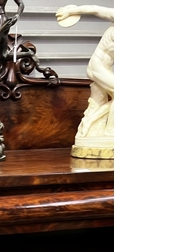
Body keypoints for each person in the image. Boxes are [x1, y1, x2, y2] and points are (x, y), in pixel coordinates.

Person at [56, 5, 114, 150]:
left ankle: (89, 122)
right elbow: (96, 9)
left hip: (104, 68)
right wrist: (73, 10)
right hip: (97, 66)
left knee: (100, 101)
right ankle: (110, 131)